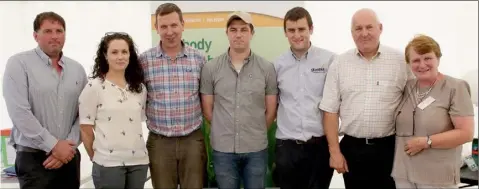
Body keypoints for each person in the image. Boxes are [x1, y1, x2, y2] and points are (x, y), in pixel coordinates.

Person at [319, 8, 412, 189]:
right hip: (353, 150)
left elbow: (416, 101)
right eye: (358, 28)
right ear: (352, 32)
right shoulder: (339, 64)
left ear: (380, 28)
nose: (364, 33)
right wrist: (335, 152)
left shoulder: (401, 61)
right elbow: (330, 111)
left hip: (390, 149)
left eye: (369, 27)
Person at [2, 11, 86, 189]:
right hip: (34, 159)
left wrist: (67, 148)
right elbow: (19, 112)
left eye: (59, 30)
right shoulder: (18, 64)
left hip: (69, 157)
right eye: (48, 31)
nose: (54, 36)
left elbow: (85, 113)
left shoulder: (77, 69)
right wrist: (54, 146)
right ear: (35, 35)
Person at [200, 11, 278, 189]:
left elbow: (271, 110)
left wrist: (255, 131)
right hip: (223, 150)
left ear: (252, 33)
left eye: (244, 29)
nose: (238, 34)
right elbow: (208, 110)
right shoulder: (211, 68)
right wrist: (225, 127)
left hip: (256, 149)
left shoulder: (266, 68)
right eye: (233, 30)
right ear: (227, 33)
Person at [391, 34, 475, 189]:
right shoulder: (407, 87)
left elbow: (466, 133)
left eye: (427, 58)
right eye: (416, 60)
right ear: (409, 64)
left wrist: (427, 142)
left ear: (438, 58)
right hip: (404, 174)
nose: (422, 64)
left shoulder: (456, 88)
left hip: (437, 176)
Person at [139, 3, 207, 189]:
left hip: (192, 139)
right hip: (159, 142)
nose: (169, 32)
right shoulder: (144, 61)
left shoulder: (199, 59)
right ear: (157, 28)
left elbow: (206, 98)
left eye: (174, 25)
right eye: (164, 26)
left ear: (183, 25)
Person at [273, 6, 335, 189]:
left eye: (301, 29)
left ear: (311, 29)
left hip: (319, 146)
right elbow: (272, 104)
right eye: (291, 30)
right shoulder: (276, 65)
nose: (296, 35)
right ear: (285, 33)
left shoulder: (330, 60)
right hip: (287, 147)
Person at [79, 32, 149, 189]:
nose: (120, 57)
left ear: (130, 55)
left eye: (124, 52)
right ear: (105, 55)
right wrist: (95, 157)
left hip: (139, 162)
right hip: (107, 164)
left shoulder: (140, 88)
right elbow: (85, 128)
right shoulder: (94, 87)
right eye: (114, 52)